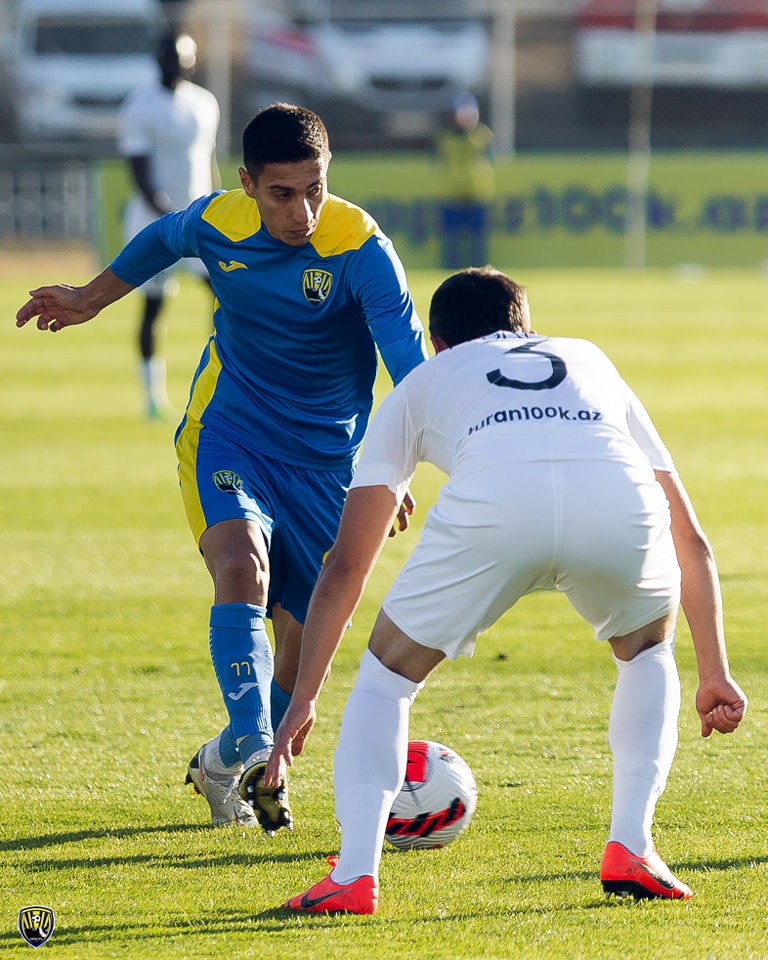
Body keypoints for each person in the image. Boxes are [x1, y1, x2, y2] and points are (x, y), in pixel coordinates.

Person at [265, 266, 748, 914]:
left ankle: (354, 874)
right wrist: (713, 670)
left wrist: (304, 697)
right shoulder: (587, 359)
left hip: (495, 512)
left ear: (437, 344)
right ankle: (631, 845)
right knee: (648, 652)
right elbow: (692, 538)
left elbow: (348, 565)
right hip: (616, 509)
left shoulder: (420, 382)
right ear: (528, 327)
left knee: (386, 677)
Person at [16, 103, 428, 836]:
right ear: (246, 183)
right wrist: (88, 298)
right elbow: (165, 238)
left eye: (316, 188)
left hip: (328, 462)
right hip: (230, 432)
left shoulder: (361, 249)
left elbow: (412, 372)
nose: (302, 211)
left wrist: (392, 469)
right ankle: (255, 741)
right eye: (281, 193)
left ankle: (226, 761)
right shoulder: (220, 221)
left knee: (299, 653)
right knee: (242, 566)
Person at [118, 29, 220, 419]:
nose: (176, 63)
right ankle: (152, 397)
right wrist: (169, 218)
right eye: (169, 56)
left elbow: (206, 161)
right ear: (158, 59)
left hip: (197, 220)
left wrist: (213, 207)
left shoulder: (205, 103)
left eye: (182, 56)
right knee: (154, 306)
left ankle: (222, 375)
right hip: (155, 222)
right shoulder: (140, 106)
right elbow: (139, 171)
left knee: (225, 293)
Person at [433, 94, 495, 270]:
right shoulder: (444, 138)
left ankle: (480, 270)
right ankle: (449, 269)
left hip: (477, 193)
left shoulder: (482, 135)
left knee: (478, 239)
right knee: (451, 238)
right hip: (451, 193)